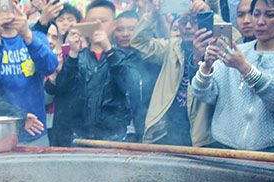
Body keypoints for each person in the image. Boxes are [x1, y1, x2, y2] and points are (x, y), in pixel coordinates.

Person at [191, 0, 274, 151]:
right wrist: (207, 66)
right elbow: (204, 95)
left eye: (270, 15)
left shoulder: (237, 58)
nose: (260, 21)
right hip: (224, 147)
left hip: (268, 150)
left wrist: (244, 68)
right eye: (256, 14)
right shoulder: (236, 51)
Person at [45, 0, 132, 145]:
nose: (97, 26)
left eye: (103, 21)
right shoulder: (76, 56)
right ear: (84, 24)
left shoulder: (123, 56)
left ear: (114, 24)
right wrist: (73, 53)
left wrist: (108, 49)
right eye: (92, 22)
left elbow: (128, 86)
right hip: (78, 140)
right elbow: (62, 90)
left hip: (112, 140)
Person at [131, 0, 215, 146]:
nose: (188, 26)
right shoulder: (171, 47)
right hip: (169, 130)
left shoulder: (216, 48)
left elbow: (236, 38)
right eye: (183, 22)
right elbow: (139, 43)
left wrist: (208, 13)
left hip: (202, 135)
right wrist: (153, 14)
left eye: (194, 21)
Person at [0, 2, 58, 145]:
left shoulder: (36, 36)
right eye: (1, 5)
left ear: (20, 8)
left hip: (36, 133)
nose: (7, 9)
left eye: (12, 4)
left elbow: (50, 66)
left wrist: (27, 35)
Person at [113, 10, 160, 140]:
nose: (125, 34)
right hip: (115, 132)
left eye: (131, 29)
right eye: (120, 29)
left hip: (147, 127)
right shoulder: (107, 57)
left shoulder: (151, 57)